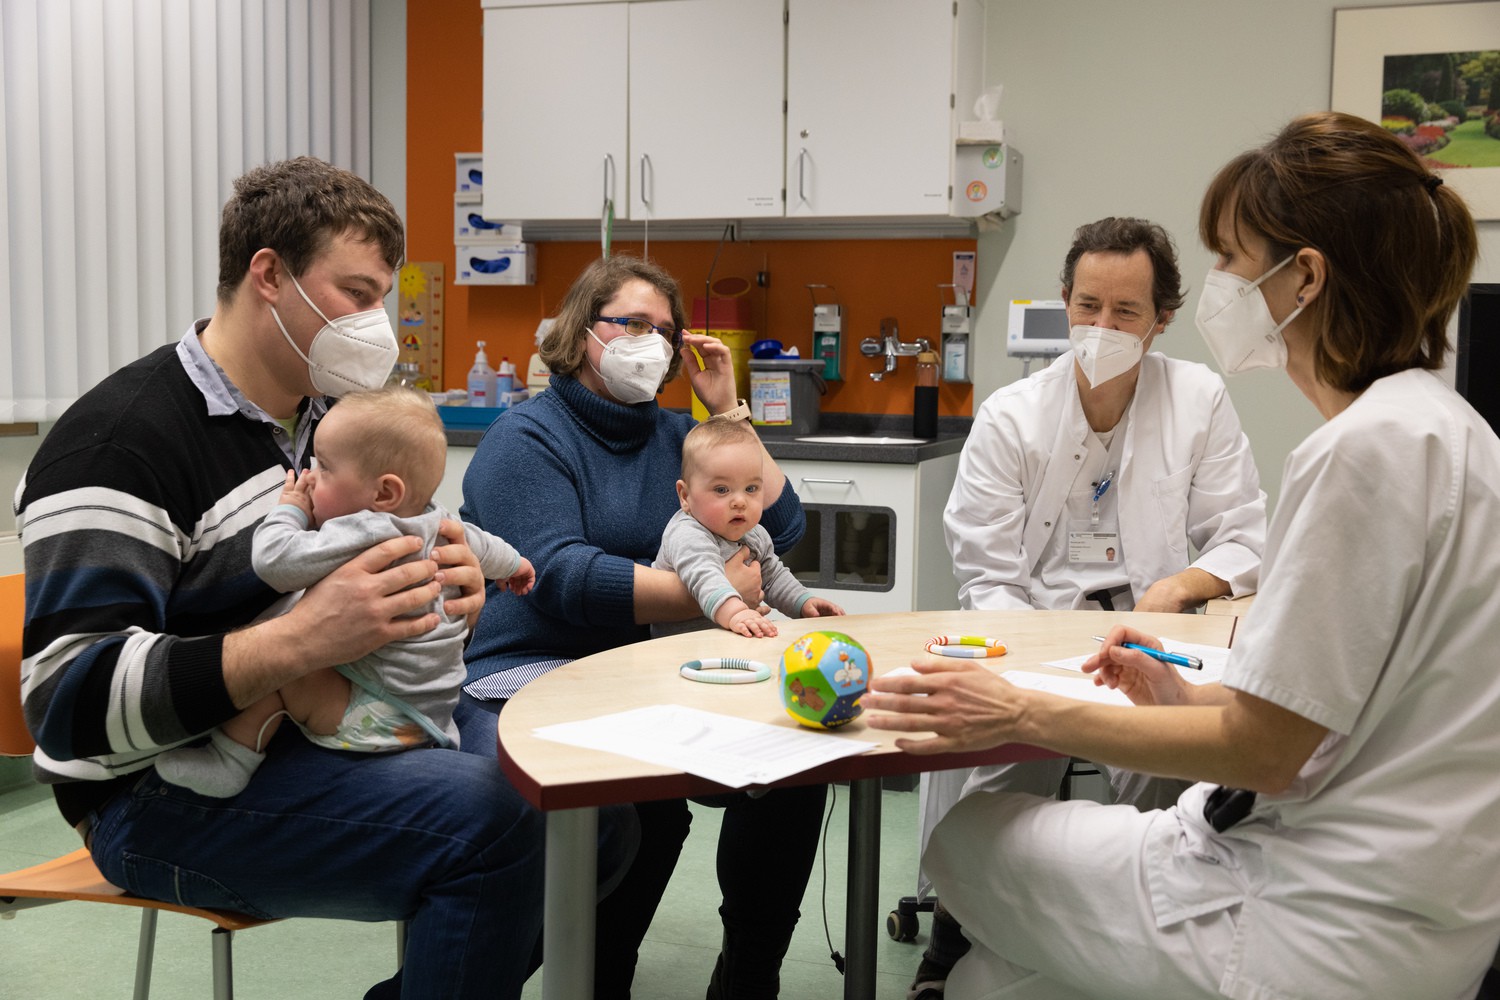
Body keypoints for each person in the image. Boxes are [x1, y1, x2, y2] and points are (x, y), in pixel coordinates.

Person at [865, 111, 1499, 999]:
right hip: (1411, 891)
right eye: (1088, 305)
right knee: (988, 981)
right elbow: (1342, 704)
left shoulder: (1358, 449)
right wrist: (1188, 693)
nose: (1222, 286)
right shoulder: (1444, 428)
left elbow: (1268, 750)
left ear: (1304, 277)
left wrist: (1021, 708)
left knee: (963, 841)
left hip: (1321, 911)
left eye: (1233, 260)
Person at [13, 157, 631, 1000]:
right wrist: (304, 638)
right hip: (160, 793)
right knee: (503, 822)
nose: (378, 321)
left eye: (382, 295)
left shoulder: (324, 422)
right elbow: (66, 704)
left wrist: (450, 587)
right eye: (357, 293)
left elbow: (396, 546)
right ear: (269, 275)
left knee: (591, 810)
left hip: (327, 718)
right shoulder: (121, 443)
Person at [911, 218, 1268, 998]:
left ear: (1162, 319)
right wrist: (1034, 661)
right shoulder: (1012, 416)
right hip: (1030, 633)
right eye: (1087, 306)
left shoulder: (1197, 400)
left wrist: (1184, 586)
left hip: (1153, 638)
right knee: (1003, 763)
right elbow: (986, 568)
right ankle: (956, 928)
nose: (1101, 327)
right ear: (1065, 303)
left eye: (1126, 312)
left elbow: (1242, 535)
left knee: (1167, 771)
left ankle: (1134, 939)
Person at [461, 254, 828, 999]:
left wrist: (728, 416)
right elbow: (561, 577)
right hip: (536, 666)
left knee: (795, 754)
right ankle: (599, 979)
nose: (652, 342)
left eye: (666, 330)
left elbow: (780, 528)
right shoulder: (524, 438)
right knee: (642, 808)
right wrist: (710, 591)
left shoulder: (675, 434)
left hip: (655, 666)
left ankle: (750, 978)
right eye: (632, 324)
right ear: (581, 332)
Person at [154, 386, 536, 797]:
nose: (309, 476)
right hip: (436, 711)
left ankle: (231, 761)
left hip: (377, 717)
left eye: (325, 467)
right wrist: (516, 566)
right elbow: (486, 547)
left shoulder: (362, 530)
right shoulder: (437, 521)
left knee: (280, 670)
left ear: (384, 494)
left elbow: (275, 560)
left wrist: (290, 510)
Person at [653, 418, 844, 638]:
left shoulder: (755, 534)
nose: (740, 501)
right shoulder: (687, 533)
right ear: (685, 496)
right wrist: (736, 612)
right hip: (680, 648)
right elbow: (705, 577)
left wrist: (803, 602)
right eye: (722, 490)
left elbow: (772, 577)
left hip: (733, 638)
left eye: (751, 488)